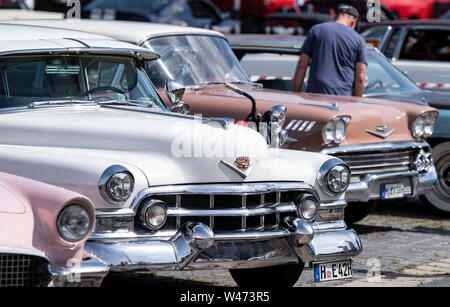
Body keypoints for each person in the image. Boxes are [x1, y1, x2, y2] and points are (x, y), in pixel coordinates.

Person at [293, 4, 367, 97]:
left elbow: (302, 65)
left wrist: (296, 95)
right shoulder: (358, 39)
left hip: (314, 97)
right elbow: (360, 77)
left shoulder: (316, 30)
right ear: (354, 22)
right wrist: (356, 102)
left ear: (335, 17)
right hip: (343, 100)